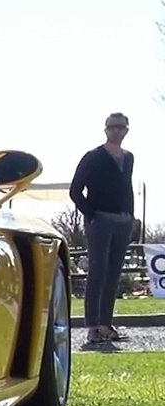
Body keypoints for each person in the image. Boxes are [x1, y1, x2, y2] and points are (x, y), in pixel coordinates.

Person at [70, 112, 136, 344]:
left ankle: (106, 324)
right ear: (105, 130)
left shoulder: (129, 158)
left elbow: (126, 187)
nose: (117, 131)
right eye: (112, 127)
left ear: (126, 130)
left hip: (123, 222)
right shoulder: (93, 157)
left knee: (113, 274)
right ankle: (92, 328)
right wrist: (91, 214)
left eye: (121, 127)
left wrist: (131, 217)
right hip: (100, 221)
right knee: (97, 272)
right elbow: (75, 190)